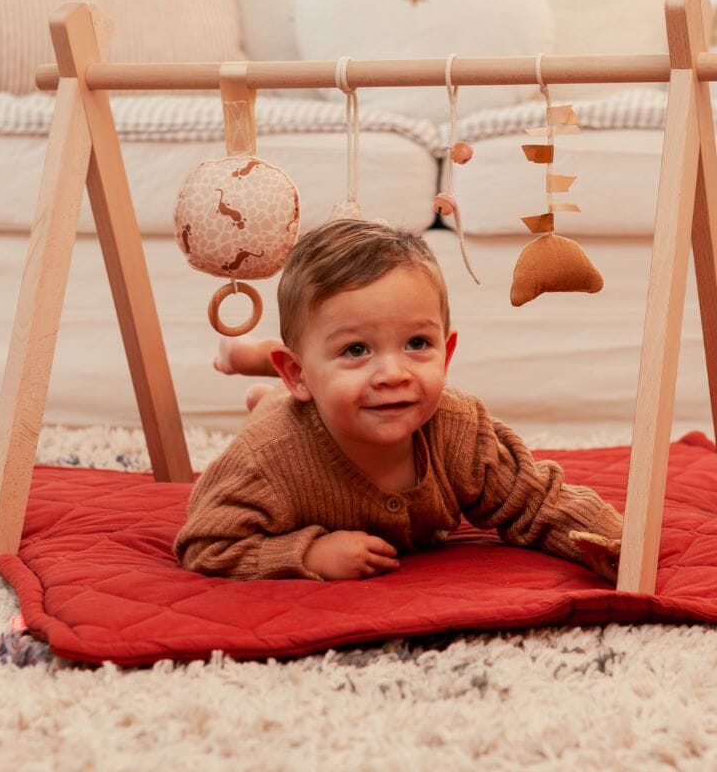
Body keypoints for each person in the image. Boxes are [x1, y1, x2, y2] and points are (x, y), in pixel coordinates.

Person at [175, 219, 623, 582]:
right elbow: (207, 543)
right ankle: (252, 366)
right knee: (273, 407)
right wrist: (308, 554)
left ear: (446, 353)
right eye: (356, 349)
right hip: (291, 411)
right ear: (297, 373)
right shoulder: (266, 458)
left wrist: (610, 540)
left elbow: (533, 499)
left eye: (416, 343)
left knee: (308, 387)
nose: (393, 374)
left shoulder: (459, 429)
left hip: (310, 386)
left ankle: (263, 368)